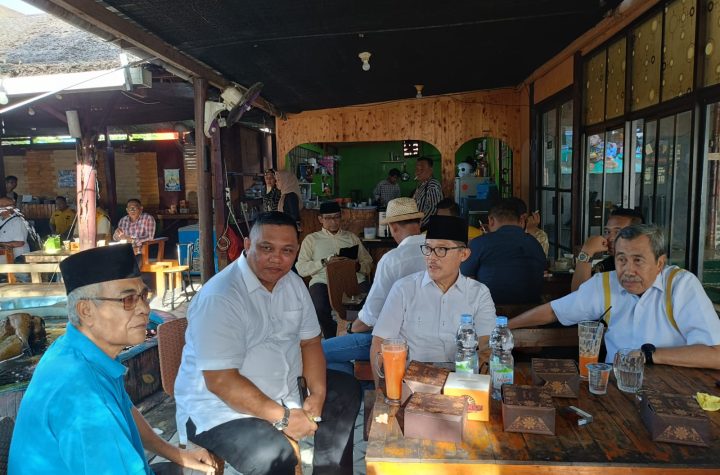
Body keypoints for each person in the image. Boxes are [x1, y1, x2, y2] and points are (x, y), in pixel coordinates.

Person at [174, 212, 361, 475]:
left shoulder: (293, 284)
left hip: (284, 391)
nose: (276, 258)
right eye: (266, 248)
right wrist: (284, 418)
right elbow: (220, 381)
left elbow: (310, 343)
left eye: (287, 250)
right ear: (247, 245)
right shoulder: (221, 296)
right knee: (274, 456)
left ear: (297, 251)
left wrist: (317, 395)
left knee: (346, 389)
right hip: (219, 409)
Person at [8, 244, 217, 474]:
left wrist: (176, 453)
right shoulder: (82, 393)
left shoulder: (74, 350)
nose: (144, 309)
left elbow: (125, 408)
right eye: (128, 299)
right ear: (86, 311)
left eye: (143, 296)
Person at [509, 225, 720, 370]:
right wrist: (505, 326)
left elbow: (715, 354)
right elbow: (554, 311)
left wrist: (649, 355)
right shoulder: (605, 283)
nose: (628, 270)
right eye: (621, 260)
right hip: (615, 386)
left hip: (673, 386)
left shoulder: (680, 285)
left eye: (638, 260)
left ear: (659, 263)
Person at [371, 215, 496, 383]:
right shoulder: (404, 289)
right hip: (412, 382)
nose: (432, 257)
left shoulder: (478, 293)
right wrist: (381, 391)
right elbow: (380, 342)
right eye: (428, 248)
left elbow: (486, 344)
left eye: (441, 249)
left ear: (464, 254)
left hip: (460, 382)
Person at [321, 198, 426, 375]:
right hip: (431, 339)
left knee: (318, 352)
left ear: (393, 227)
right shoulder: (439, 252)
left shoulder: (393, 260)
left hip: (397, 341)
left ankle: (356, 389)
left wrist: (350, 329)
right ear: (420, 223)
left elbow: (370, 316)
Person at [297, 201, 373, 338]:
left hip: (352, 278)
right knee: (319, 307)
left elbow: (367, 262)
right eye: (328, 218)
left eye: (336, 217)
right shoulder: (311, 240)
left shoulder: (351, 238)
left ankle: (354, 334)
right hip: (323, 280)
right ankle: (330, 336)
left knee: (366, 303)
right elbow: (301, 268)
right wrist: (324, 262)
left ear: (341, 217)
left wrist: (358, 267)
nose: (333, 222)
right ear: (320, 219)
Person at [461, 198, 546, 304]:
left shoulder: (479, 243)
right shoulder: (534, 243)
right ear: (521, 220)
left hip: (490, 309)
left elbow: (465, 279)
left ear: (491, 220)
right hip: (530, 310)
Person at [571, 207, 644, 292]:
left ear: (637, 235)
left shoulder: (647, 265)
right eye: (607, 232)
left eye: (618, 232)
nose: (610, 238)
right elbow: (579, 295)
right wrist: (587, 251)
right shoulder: (606, 266)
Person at [413, 156, 443, 230]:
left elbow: (433, 208)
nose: (418, 172)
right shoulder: (422, 185)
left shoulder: (432, 185)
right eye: (417, 169)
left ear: (431, 170)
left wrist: (419, 225)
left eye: (421, 169)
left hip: (427, 229)